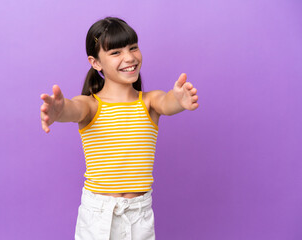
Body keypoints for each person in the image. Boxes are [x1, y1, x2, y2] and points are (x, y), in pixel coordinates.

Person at [40, 17, 198, 240]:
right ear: (96, 63)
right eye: (116, 52)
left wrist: (180, 99)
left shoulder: (149, 102)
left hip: (139, 215)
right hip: (97, 216)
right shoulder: (91, 105)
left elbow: (167, 102)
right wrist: (59, 110)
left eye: (133, 47)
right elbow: (73, 108)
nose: (130, 57)